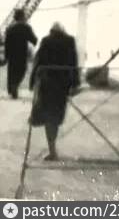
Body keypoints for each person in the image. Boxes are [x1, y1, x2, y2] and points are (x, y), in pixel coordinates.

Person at [29, 22, 80, 161]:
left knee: (48, 117)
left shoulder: (46, 40)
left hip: (47, 84)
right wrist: (76, 84)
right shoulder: (70, 41)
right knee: (56, 117)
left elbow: (38, 62)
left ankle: (52, 150)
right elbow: (74, 63)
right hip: (63, 85)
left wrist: (32, 82)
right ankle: (53, 151)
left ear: (51, 31)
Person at [4, 9, 38, 98]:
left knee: (11, 73)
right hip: (22, 54)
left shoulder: (10, 28)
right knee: (21, 72)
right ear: (22, 17)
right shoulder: (26, 27)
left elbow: (6, 44)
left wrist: (6, 56)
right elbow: (34, 40)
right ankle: (15, 86)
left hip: (11, 55)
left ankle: (12, 89)